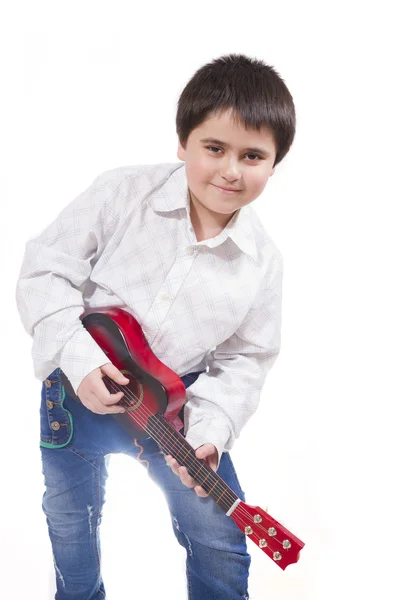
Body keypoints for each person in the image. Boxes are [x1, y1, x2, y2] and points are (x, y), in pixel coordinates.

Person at [15, 53, 296, 600]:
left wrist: (210, 434)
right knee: (72, 524)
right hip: (74, 392)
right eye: (214, 148)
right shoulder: (122, 192)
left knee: (218, 541)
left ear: (275, 162)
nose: (231, 170)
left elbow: (246, 359)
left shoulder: (263, 264)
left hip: (175, 412)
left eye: (253, 155)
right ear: (182, 142)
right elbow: (44, 269)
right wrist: (78, 359)